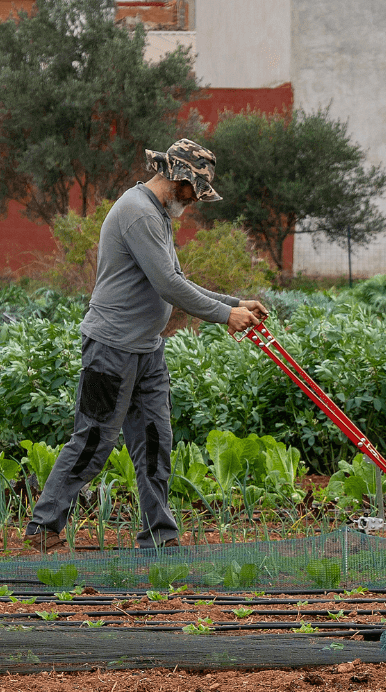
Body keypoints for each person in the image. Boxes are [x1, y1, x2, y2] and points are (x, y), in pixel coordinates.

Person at [23, 139, 268, 552]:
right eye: (194, 192)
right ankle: (44, 526)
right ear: (178, 179)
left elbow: (178, 278)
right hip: (111, 348)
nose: (194, 202)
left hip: (146, 350)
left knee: (155, 440)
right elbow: (169, 286)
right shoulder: (138, 214)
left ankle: (160, 535)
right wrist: (226, 317)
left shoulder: (156, 215)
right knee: (93, 441)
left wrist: (234, 303)